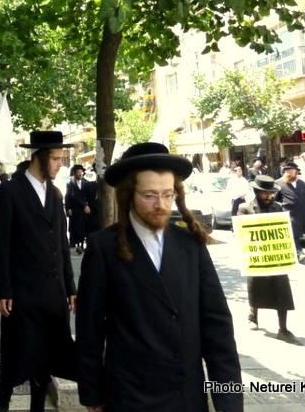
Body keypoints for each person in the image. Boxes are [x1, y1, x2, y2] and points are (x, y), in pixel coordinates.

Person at [75, 142, 242, 412]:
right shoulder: (103, 248)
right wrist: (92, 393)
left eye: (168, 195)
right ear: (129, 195)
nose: (161, 205)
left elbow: (217, 328)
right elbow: (90, 328)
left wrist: (229, 401)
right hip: (130, 395)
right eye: (150, 195)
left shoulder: (191, 245)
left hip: (186, 396)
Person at [0, 131, 77, 412]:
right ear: (38, 156)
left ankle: (37, 407)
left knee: (46, 355)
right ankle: (1, 396)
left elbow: (62, 243)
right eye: (55, 158)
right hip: (22, 291)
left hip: (53, 292)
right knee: (18, 352)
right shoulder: (10, 190)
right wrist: (2, 289)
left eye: (61, 158)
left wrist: (70, 286)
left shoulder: (55, 193)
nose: (59, 164)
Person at [238, 175, 301, 344]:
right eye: (265, 193)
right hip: (256, 256)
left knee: (282, 290)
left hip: (276, 256)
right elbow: (239, 231)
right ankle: (253, 315)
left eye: (271, 193)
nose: (269, 197)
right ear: (257, 192)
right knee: (256, 286)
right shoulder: (245, 208)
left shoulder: (277, 208)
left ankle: (283, 329)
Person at [275, 161, 305, 264]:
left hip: (301, 213)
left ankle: (291, 252)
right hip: (287, 213)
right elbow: (274, 200)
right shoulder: (278, 183)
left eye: (291, 171)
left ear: (296, 172)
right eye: (287, 171)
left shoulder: (302, 184)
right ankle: (299, 252)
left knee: (296, 234)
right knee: (293, 232)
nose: (289, 173)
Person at [65, 164, 98, 255]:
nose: (80, 174)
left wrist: (87, 205)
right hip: (75, 210)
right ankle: (76, 245)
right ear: (74, 173)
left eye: (81, 172)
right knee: (75, 228)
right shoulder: (70, 184)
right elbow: (68, 197)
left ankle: (83, 244)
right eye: (77, 172)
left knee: (84, 227)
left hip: (84, 211)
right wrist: (68, 208)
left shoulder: (87, 183)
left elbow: (89, 197)